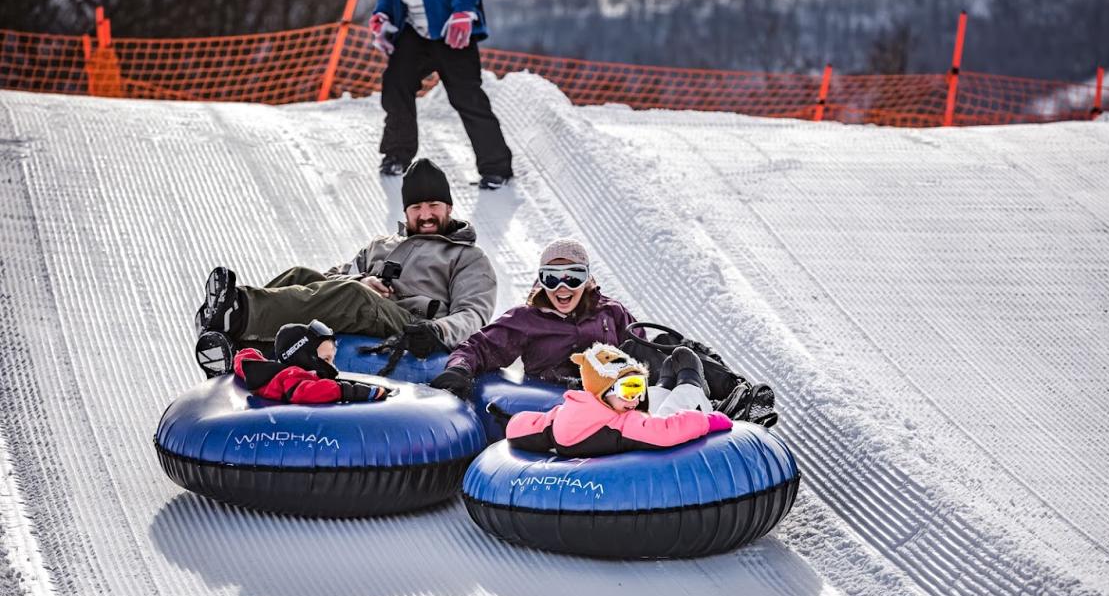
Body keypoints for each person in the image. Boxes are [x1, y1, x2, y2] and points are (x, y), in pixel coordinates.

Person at [193, 159, 496, 377]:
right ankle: (235, 349)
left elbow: (474, 314)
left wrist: (436, 330)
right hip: (369, 306)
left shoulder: (468, 257)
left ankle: (240, 311)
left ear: (448, 208)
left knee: (352, 295)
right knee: (301, 275)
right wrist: (363, 279)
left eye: (433, 206)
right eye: (417, 208)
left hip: (413, 325)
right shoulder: (382, 245)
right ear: (406, 211)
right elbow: (329, 281)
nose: (425, 215)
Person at [429, 237, 637, 399]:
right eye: (551, 278)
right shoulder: (527, 319)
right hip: (551, 404)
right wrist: (460, 367)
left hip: (608, 403)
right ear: (541, 280)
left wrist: (658, 359)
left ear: (587, 279)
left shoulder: (610, 312)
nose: (562, 288)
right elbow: (481, 346)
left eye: (573, 278)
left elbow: (638, 346)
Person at [369, 0, 513, 188]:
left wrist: (463, 11)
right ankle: (397, 155)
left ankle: (496, 168)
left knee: (467, 97)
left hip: (450, 29)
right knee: (395, 84)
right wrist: (383, 14)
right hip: (414, 32)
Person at [504, 342, 732, 458]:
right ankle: (692, 386)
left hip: (617, 420)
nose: (635, 397)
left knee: (644, 403)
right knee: (674, 403)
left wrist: (512, 423)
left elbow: (532, 425)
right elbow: (664, 431)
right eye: (628, 388)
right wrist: (710, 422)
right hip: (644, 443)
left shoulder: (567, 410)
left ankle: (663, 386)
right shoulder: (619, 425)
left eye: (638, 387)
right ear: (603, 388)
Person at [204, 320, 389, 404]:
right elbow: (307, 392)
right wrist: (353, 391)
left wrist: (239, 357)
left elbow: (247, 359)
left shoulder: (272, 371)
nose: (331, 367)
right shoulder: (293, 376)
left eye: (332, 360)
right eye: (325, 359)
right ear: (303, 356)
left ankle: (223, 368)